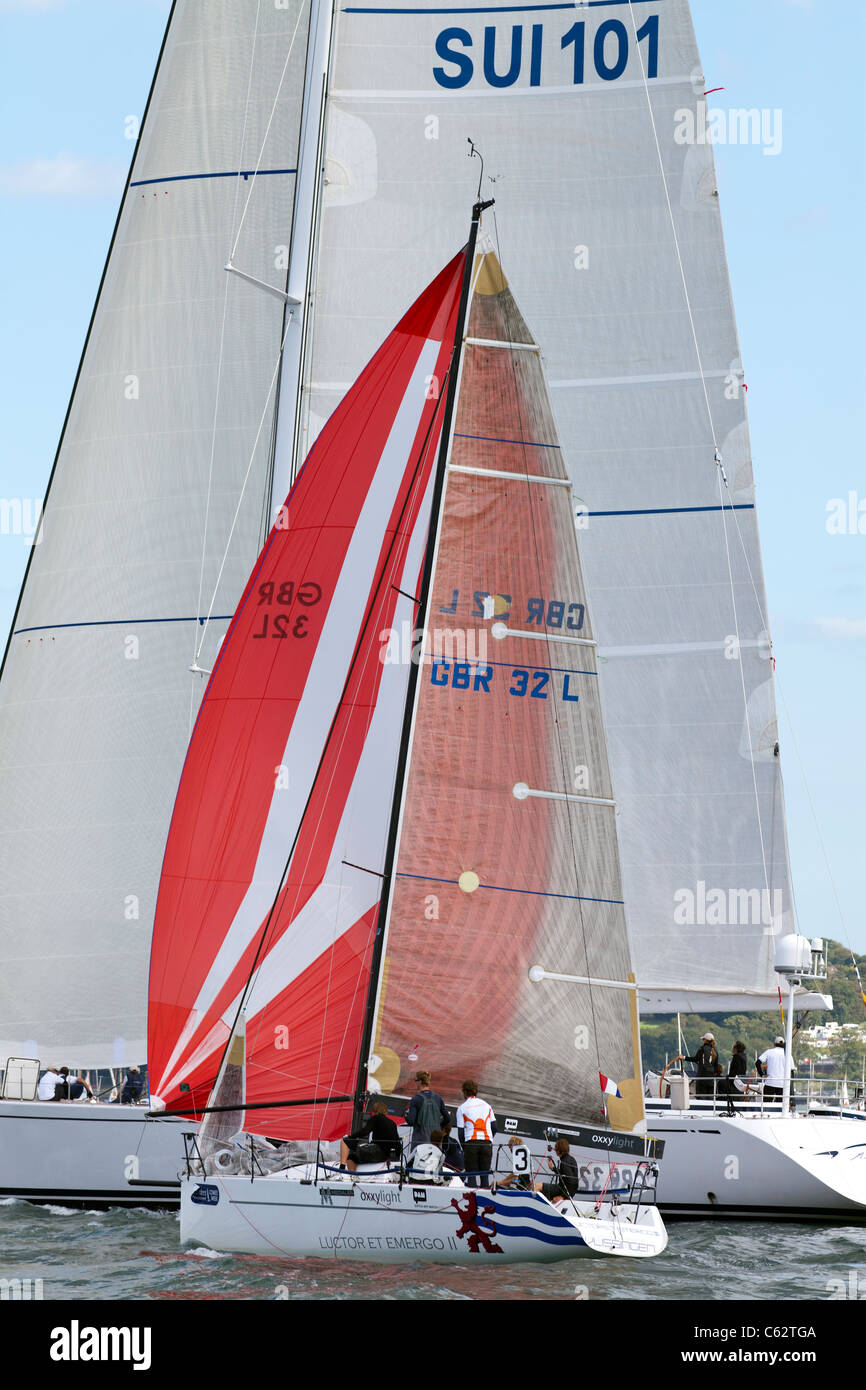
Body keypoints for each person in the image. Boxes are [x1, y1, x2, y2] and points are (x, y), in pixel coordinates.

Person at [340, 1100, 401, 1172]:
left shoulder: (376, 1118)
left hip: (377, 1152)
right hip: (387, 1155)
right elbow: (397, 1141)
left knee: (350, 1154)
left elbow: (365, 1131)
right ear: (385, 1111)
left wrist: (351, 1137)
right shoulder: (392, 1123)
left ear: (375, 1110)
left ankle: (344, 1170)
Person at [455, 1080, 496, 1188]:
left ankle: (473, 1203)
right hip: (487, 1143)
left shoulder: (462, 1108)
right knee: (484, 1177)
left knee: (471, 1176)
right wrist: (489, 1140)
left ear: (464, 1092)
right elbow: (495, 1127)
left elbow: (460, 1133)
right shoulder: (487, 1105)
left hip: (471, 1143)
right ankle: (485, 1204)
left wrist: (465, 1147)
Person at [404, 1071, 449, 1149]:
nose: (415, 1083)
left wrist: (405, 1116)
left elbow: (411, 1121)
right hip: (436, 1140)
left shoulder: (415, 1099)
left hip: (420, 1140)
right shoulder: (438, 1098)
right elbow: (447, 1118)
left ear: (420, 1081)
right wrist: (438, 1126)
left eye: (416, 1080)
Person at [534, 1137, 579, 1204]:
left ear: (559, 1150)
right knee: (553, 1199)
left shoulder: (564, 1162)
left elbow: (571, 1181)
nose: (555, 1150)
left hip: (562, 1190)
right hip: (564, 1189)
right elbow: (565, 1174)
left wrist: (564, 1197)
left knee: (535, 1186)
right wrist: (552, 1168)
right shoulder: (571, 1159)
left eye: (556, 1148)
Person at [678, 1033, 719, 1098]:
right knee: (710, 1097)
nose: (702, 1040)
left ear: (705, 1040)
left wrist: (684, 1057)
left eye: (703, 1039)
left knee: (701, 1096)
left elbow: (695, 1059)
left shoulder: (702, 1049)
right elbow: (716, 1065)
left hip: (702, 1076)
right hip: (711, 1077)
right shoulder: (715, 1051)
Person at [756, 1036, 792, 1101]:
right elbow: (791, 1069)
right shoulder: (787, 1054)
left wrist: (762, 1075)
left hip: (770, 1082)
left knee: (766, 1106)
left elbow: (757, 1063)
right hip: (782, 1084)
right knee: (780, 1107)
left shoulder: (769, 1052)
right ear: (783, 1044)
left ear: (774, 1044)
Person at [722, 1041, 747, 1116]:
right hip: (741, 1079)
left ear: (736, 1049)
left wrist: (729, 1077)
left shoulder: (736, 1057)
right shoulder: (744, 1056)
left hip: (734, 1081)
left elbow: (734, 1070)